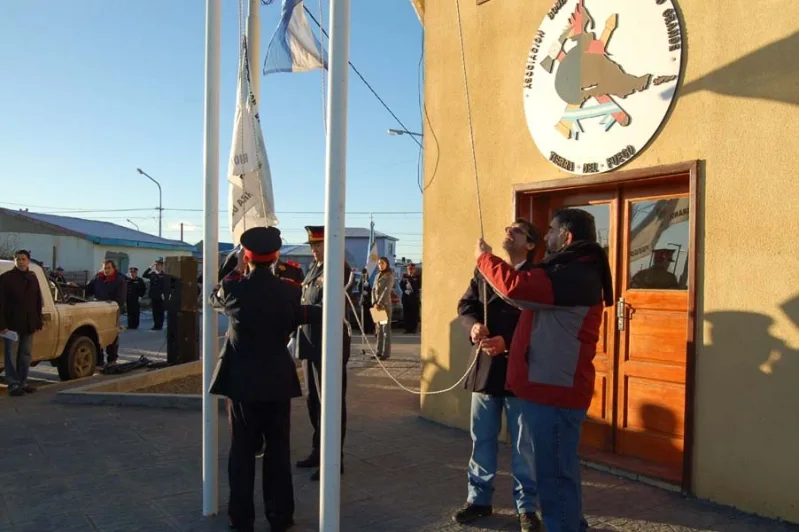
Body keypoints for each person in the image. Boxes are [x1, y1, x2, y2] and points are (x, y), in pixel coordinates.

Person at [475, 208, 613, 532]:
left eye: (550, 230)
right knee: (560, 471)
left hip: (555, 392)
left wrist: (484, 259)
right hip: (551, 389)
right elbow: (534, 312)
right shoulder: (571, 271)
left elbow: (516, 288)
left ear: (566, 237)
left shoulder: (573, 274)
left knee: (553, 478)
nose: (545, 236)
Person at [210, 226, 321, 532]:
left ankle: (241, 519)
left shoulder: (233, 289)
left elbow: (214, 295)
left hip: (243, 383)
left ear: (247, 256)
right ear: (275, 257)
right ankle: (280, 516)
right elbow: (302, 309)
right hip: (277, 381)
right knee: (278, 452)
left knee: (241, 453)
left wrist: (234, 266)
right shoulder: (289, 290)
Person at [454, 219, 542, 531]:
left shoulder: (536, 275)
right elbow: (465, 306)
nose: (508, 231)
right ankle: (478, 500)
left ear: (530, 244)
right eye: (507, 228)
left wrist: (508, 341)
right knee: (482, 441)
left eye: (517, 230)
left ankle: (527, 508)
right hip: (486, 372)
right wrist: (473, 326)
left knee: (523, 447)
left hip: (520, 372)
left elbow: (538, 323)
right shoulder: (485, 270)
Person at [295, 225, 351, 482]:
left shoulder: (339, 269)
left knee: (330, 402)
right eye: (312, 246)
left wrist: (298, 313)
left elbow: (326, 306)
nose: (314, 250)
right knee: (313, 401)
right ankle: (319, 451)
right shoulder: (312, 270)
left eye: (318, 245)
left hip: (328, 346)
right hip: (309, 344)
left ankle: (333, 458)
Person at [0, 249, 43, 396]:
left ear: (28, 261)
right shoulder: (6, 278)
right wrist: (2, 325)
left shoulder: (32, 277)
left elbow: (38, 301)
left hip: (29, 323)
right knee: (10, 355)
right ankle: (13, 384)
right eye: (17, 259)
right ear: (14, 261)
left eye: (23, 259)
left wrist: (38, 321)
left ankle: (23, 382)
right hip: (11, 325)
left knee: (25, 354)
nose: (20, 261)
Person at [86, 260, 126, 367]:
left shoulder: (119, 280)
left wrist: (112, 306)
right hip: (98, 310)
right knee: (97, 336)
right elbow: (88, 290)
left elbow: (120, 299)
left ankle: (112, 359)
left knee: (112, 336)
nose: (106, 270)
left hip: (112, 311)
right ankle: (99, 360)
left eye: (108, 268)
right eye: (105, 268)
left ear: (114, 268)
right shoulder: (98, 278)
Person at [372, 257, 394, 360]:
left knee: (385, 330)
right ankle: (378, 351)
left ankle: (386, 353)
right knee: (378, 330)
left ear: (387, 264)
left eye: (382, 263)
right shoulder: (377, 276)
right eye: (379, 263)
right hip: (377, 306)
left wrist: (379, 303)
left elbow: (387, 290)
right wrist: (374, 302)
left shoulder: (389, 276)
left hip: (384, 306)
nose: (380, 265)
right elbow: (373, 289)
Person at [143, 258, 166, 331]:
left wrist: (164, 294)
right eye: (156, 265)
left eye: (159, 265)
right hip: (154, 296)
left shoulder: (164, 275)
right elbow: (144, 275)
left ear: (162, 266)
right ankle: (156, 325)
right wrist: (150, 267)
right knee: (155, 312)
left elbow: (166, 285)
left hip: (161, 296)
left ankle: (160, 325)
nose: (157, 266)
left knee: (161, 311)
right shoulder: (153, 274)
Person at [399, 263, 422, 333]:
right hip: (406, 298)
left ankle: (414, 329)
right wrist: (404, 290)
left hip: (414, 298)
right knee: (406, 314)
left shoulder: (417, 276)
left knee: (414, 314)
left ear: (414, 269)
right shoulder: (404, 276)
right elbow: (401, 284)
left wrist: (412, 279)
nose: (410, 270)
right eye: (409, 269)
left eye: (412, 269)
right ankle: (407, 329)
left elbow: (419, 285)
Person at [358, 268, 374, 335]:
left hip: (370, 300)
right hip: (364, 300)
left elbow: (372, 288)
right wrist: (362, 291)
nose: (364, 274)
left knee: (370, 316)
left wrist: (368, 292)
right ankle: (364, 330)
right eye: (363, 273)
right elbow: (359, 287)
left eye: (365, 273)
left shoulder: (370, 279)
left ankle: (370, 330)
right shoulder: (361, 280)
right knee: (363, 316)